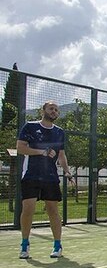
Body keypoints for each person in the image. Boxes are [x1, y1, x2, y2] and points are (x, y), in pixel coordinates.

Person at [16, 101, 75, 259]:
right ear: (43, 110)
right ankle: (25, 244)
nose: (54, 111)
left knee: (53, 211)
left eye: (56, 109)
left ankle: (57, 245)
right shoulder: (30, 127)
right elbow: (20, 147)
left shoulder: (59, 132)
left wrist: (68, 172)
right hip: (31, 175)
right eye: (51, 108)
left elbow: (61, 155)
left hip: (50, 177)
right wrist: (41, 152)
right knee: (28, 209)